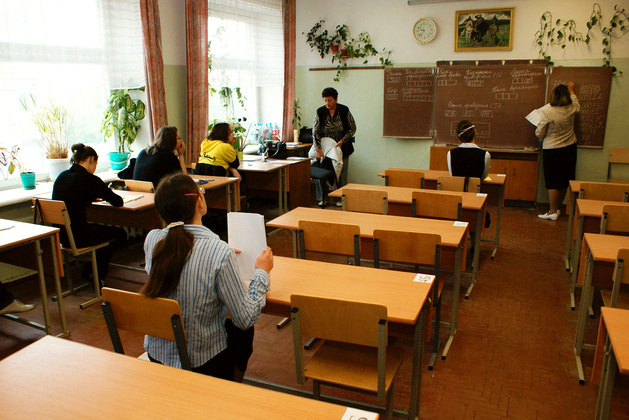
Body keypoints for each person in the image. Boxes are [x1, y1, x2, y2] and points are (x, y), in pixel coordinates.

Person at [141, 173, 273, 381]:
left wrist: (217, 254)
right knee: (243, 331)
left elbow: (183, 254)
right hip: (203, 363)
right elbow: (245, 318)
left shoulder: (153, 240)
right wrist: (262, 272)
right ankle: (231, 386)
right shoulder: (219, 251)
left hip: (157, 355)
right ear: (199, 202)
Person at [52, 143, 127, 281]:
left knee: (101, 232)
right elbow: (117, 202)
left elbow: (74, 196)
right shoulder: (89, 179)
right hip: (80, 236)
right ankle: (94, 272)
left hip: (61, 236)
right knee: (120, 234)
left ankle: (92, 269)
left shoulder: (62, 176)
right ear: (91, 159)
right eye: (96, 164)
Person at [536, 82, 580, 221]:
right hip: (570, 147)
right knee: (564, 180)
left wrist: (539, 132)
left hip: (552, 149)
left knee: (553, 181)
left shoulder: (548, 112)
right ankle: (558, 208)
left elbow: (540, 133)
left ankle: (552, 211)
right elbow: (576, 103)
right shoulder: (572, 108)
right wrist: (572, 91)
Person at [312, 87, 356, 206]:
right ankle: (323, 198)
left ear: (336, 99)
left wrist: (343, 140)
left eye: (330, 100)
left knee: (341, 174)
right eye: (325, 100)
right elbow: (315, 131)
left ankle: (339, 198)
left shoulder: (344, 110)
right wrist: (318, 149)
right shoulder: (320, 112)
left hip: (342, 146)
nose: (327, 103)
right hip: (325, 148)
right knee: (322, 171)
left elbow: (352, 128)